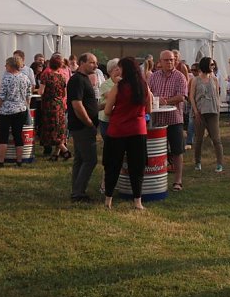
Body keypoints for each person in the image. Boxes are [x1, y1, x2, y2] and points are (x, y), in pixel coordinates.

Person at [103, 57, 152, 210]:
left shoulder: (118, 87)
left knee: (113, 165)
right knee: (137, 167)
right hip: (138, 130)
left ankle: (108, 200)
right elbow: (148, 110)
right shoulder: (144, 86)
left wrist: (118, 113)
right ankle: (138, 201)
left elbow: (106, 110)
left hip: (117, 130)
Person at [149, 50, 189, 191]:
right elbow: (148, 94)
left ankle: (178, 181)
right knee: (157, 150)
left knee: (177, 150)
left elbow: (181, 97)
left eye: (172, 60)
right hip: (157, 120)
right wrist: (154, 100)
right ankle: (157, 178)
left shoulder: (180, 77)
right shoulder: (153, 77)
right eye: (166, 60)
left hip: (174, 119)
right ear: (160, 61)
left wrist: (165, 101)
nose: (170, 62)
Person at [67, 53, 99, 202]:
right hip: (82, 127)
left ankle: (77, 190)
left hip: (83, 126)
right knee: (90, 160)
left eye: (96, 63)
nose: (95, 65)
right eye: (92, 62)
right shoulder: (77, 80)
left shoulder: (85, 79)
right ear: (81, 63)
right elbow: (77, 105)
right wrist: (89, 123)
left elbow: (88, 104)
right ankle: (78, 193)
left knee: (80, 159)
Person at [0, 56, 32, 167]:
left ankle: (1, 161)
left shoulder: (7, 78)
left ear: (10, 66)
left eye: (6, 64)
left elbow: (1, 96)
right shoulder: (25, 77)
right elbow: (28, 95)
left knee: (3, 136)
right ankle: (19, 161)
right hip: (21, 109)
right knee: (18, 135)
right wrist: (26, 105)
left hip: (6, 111)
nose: (5, 66)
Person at [190, 57, 225, 172]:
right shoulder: (195, 80)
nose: (213, 67)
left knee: (216, 139)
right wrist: (195, 111)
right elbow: (191, 96)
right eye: (211, 65)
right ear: (205, 65)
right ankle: (197, 162)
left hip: (213, 112)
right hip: (200, 112)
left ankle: (220, 163)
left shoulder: (214, 79)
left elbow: (217, 94)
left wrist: (218, 108)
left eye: (213, 65)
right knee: (199, 139)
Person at [38, 54, 70, 160]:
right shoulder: (62, 76)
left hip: (49, 105)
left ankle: (65, 151)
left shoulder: (46, 75)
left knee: (51, 130)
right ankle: (56, 154)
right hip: (60, 104)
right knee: (59, 129)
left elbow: (41, 91)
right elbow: (64, 93)